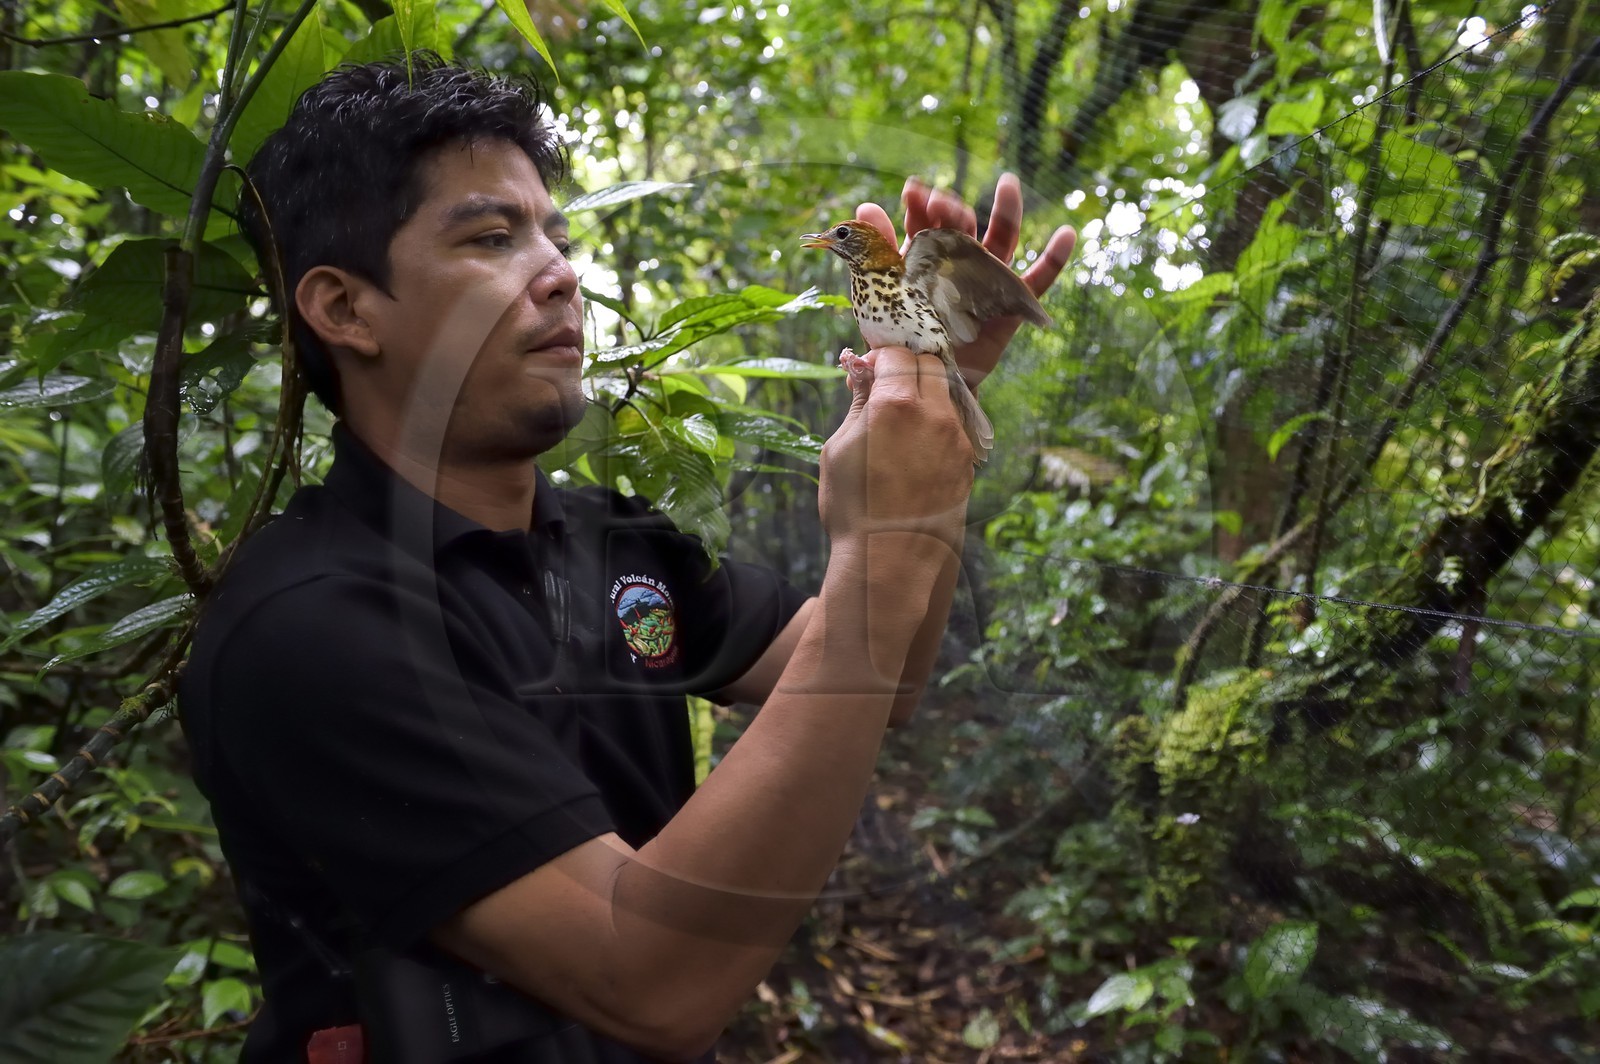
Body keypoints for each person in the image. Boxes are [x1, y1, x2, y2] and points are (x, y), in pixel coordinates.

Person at [178, 52, 1075, 1063]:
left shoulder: (612, 543)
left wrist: (933, 411)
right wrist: (878, 547)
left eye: (555, 237)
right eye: (490, 237)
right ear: (346, 309)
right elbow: (650, 974)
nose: (560, 272)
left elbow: (891, 672)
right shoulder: (312, 623)